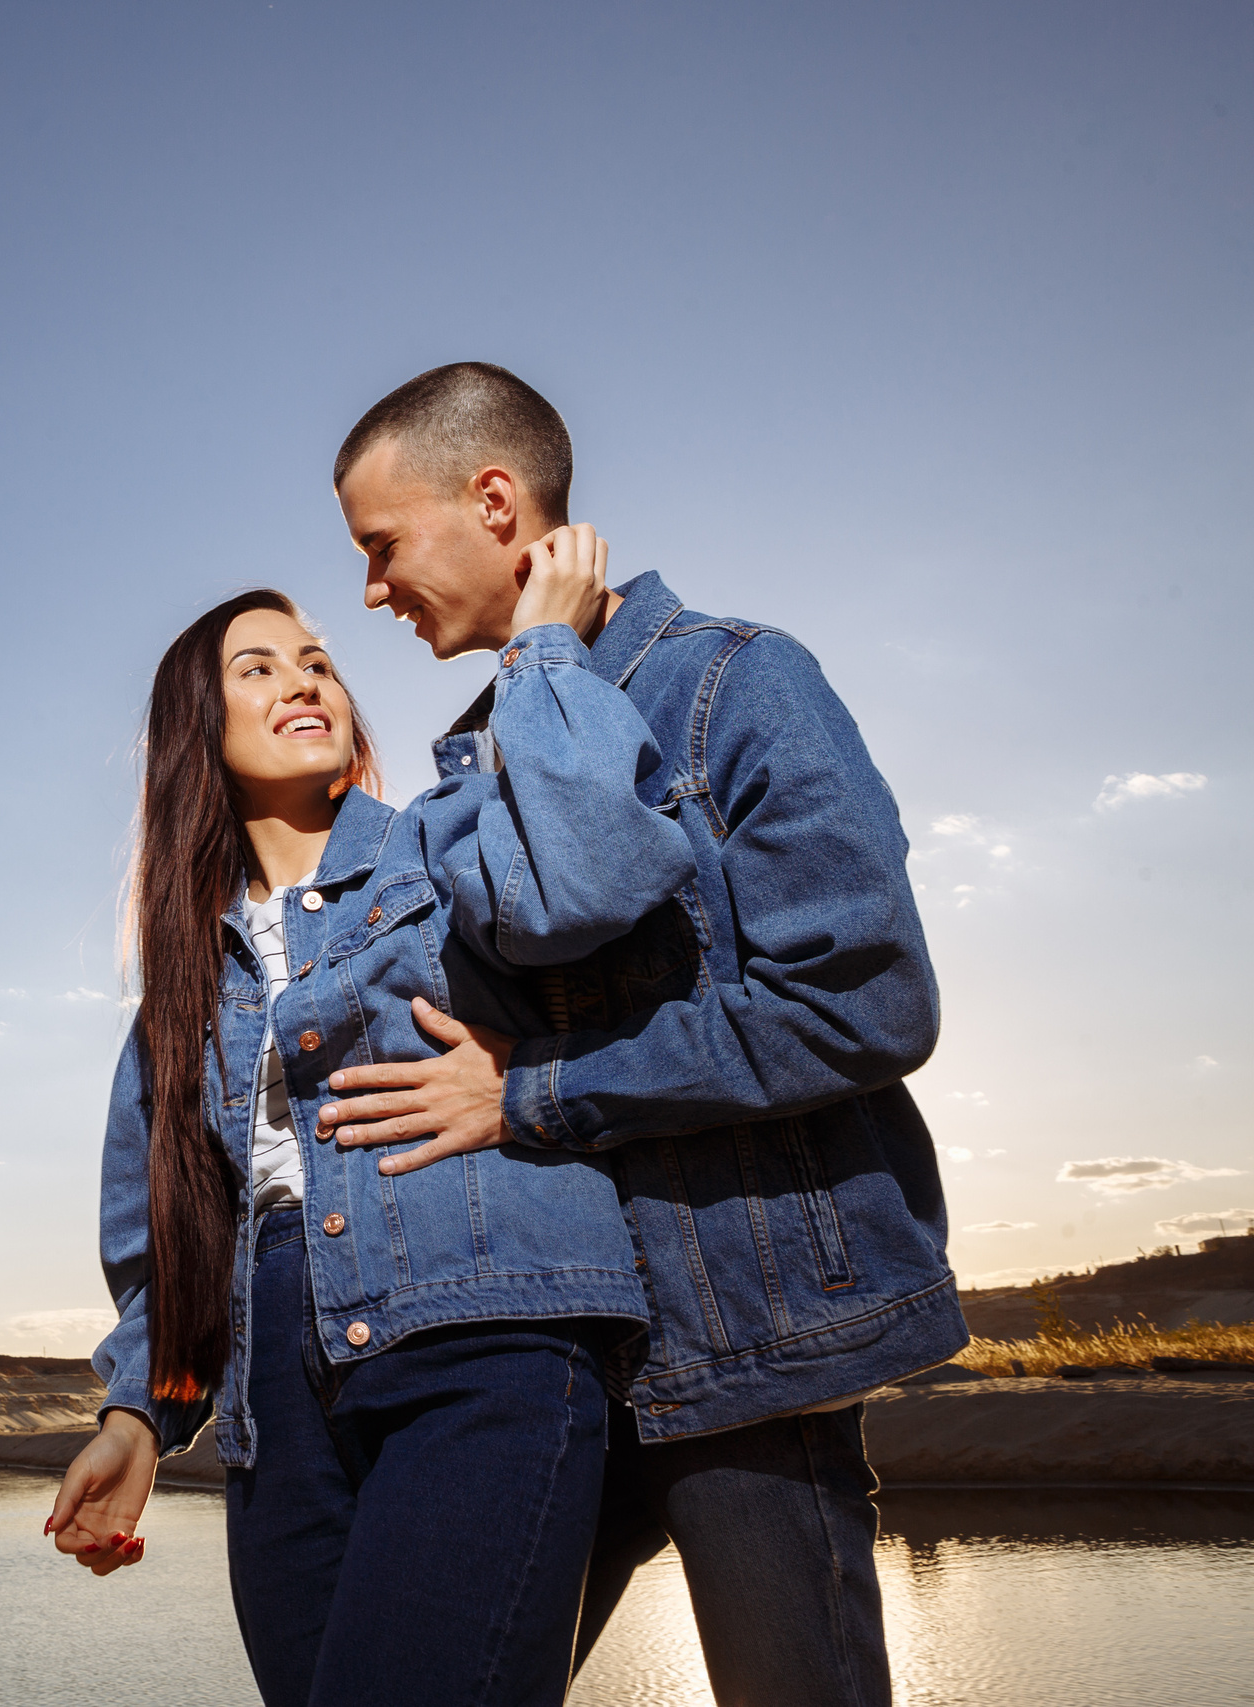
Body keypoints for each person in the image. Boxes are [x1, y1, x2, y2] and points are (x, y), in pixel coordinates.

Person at [315, 362, 968, 1707]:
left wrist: (538, 1096)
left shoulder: (736, 684)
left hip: (751, 1329)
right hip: (560, 1345)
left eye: (381, 546)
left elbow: (863, 1002)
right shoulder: (487, 754)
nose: (371, 589)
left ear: (493, 500)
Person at [47, 535, 699, 1707]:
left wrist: (542, 652)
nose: (304, 681)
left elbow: (597, 878)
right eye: (257, 669)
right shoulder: (182, 988)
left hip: (482, 1342)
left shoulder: (446, 843)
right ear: (198, 730)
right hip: (275, 1415)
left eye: (318, 663)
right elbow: (166, 1242)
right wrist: (138, 1417)